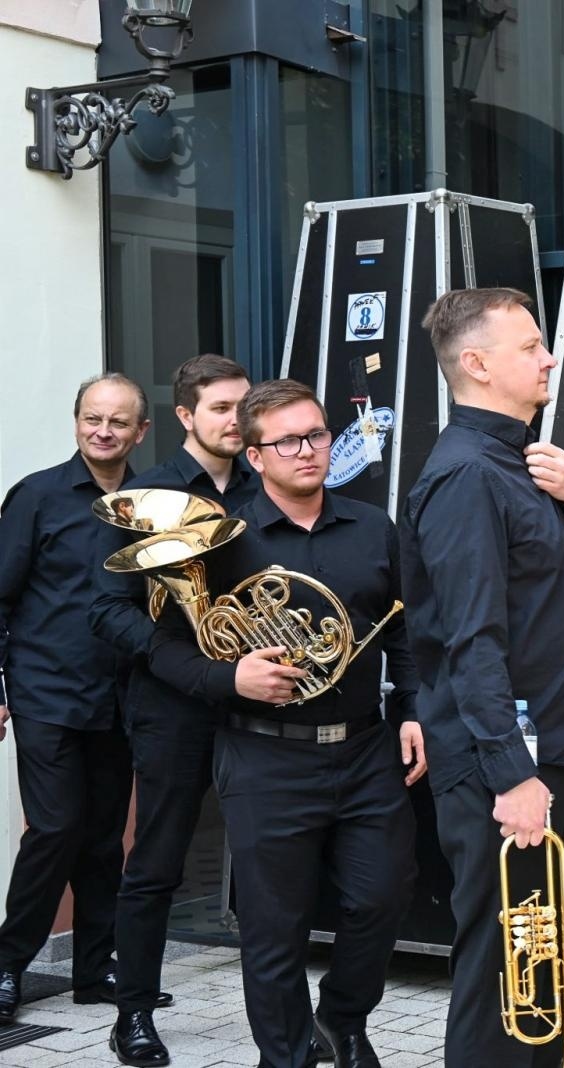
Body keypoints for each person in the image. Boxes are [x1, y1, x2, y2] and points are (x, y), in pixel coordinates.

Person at [147, 379, 426, 1068]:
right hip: (263, 754)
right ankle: (286, 1057)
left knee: (382, 897)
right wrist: (230, 678)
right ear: (254, 454)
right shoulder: (219, 542)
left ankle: (342, 1019)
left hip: (364, 748)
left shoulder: (373, 528)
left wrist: (413, 709)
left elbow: (404, 630)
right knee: (274, 928)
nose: (308, 451)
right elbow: (162, 648)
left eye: (317, 434)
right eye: (289, 441)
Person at [401, 287, 564, 1068]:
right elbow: (471, 642)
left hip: (557, 747)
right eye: (530, 347)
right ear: (478, 364)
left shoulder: (522, 461)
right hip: (510, 765)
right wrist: (512, 773)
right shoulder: (465, 477)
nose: (548, 358)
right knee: (506, 975)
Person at [88, 354, 257, 1066]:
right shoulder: (144, 495)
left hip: (255, 696)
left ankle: (282, 1016)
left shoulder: (264, 487)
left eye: (245, 407)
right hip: (172, 705)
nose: (237, 421)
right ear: (186, 415)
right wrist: (178, 660)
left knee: (271, 861)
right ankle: (132, 1015)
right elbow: (105, 610)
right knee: (157, 862)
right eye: (220, 408)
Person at [0, 374, 150, 1024]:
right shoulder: (36, 496)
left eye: (118, 421)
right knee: (56, 828)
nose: (103, 431)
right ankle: (9, 963)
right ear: (77, 422)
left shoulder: (150, 504)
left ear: (140, 431)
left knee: (103, 839)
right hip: (45, 690)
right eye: (93, 418)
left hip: (119, 697)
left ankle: (95, 969)